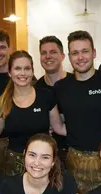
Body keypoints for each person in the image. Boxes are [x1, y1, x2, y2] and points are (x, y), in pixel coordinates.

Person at [55, 30, 101, 194]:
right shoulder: (61, 87)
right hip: (75, 163)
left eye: (85, 51)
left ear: (94, 53)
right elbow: (59, 124)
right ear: (69, 57)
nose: (80, 57)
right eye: (75, 53)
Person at [0, 50, 66, 176]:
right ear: (9, 72)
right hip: (13, 165)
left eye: (27, 68)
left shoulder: (46, 96)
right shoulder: (2, 101)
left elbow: (59, 128)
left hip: (42, 162)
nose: (23, 73)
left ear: (32, 71)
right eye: (17, 68)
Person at [35, 35, 72, 166]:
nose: (48, 56)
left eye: (53, 52)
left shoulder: (75, 83)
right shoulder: (36, 89)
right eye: (43, 53)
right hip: (46, 156)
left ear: (62, 56)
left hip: (74, 151)